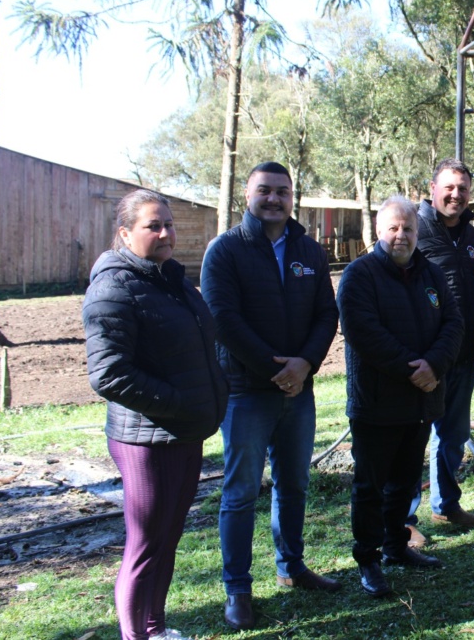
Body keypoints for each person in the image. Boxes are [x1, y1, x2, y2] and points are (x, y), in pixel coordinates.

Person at [201, 162, 340, 631]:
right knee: (241, 493)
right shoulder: (225, 251)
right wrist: (274, 369)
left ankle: (291, 566)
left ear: (292, 196)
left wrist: (306, 365)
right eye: (265, 190)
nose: (274, 199)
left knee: (294, 483)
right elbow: (223, 318)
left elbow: (326, 313)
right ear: (247, 194)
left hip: (299, 390)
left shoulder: (309, 251)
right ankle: (237, 588)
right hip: (245, 393)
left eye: (283, 191)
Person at [83, 190, 228, 640]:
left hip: (183, 433)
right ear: (125, 233)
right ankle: (135, 636)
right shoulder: (113, 285)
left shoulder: (168, 278)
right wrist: (180, 401)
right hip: (146, 441)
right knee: (145, 546)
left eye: (169, 224)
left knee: (167, 540)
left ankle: (155, 628)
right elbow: (108, 374)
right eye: (153, 226)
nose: (166, 233)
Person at [338, 196, 464, 596]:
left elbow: (453, 322)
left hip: (420, 403)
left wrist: (436, 365)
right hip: (377, 403)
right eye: (393, 228)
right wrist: (417, 369)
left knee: (405, 482)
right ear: (379, 230)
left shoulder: (430, 273)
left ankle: (396, 547)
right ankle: (369, 560)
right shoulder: (359, 275)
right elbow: (365, 335)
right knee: (371, 488)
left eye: (408, 228)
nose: (401, 235)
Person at [403, 159, 474, 543]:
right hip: (425, 358)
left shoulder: (472, 237)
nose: (456, 195)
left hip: (464, 353)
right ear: (433, 188)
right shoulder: (415, 231)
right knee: (412, 439)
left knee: (452, 436)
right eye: (449, 187)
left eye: (463, 189)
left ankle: (446, 505)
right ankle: (403, 519)